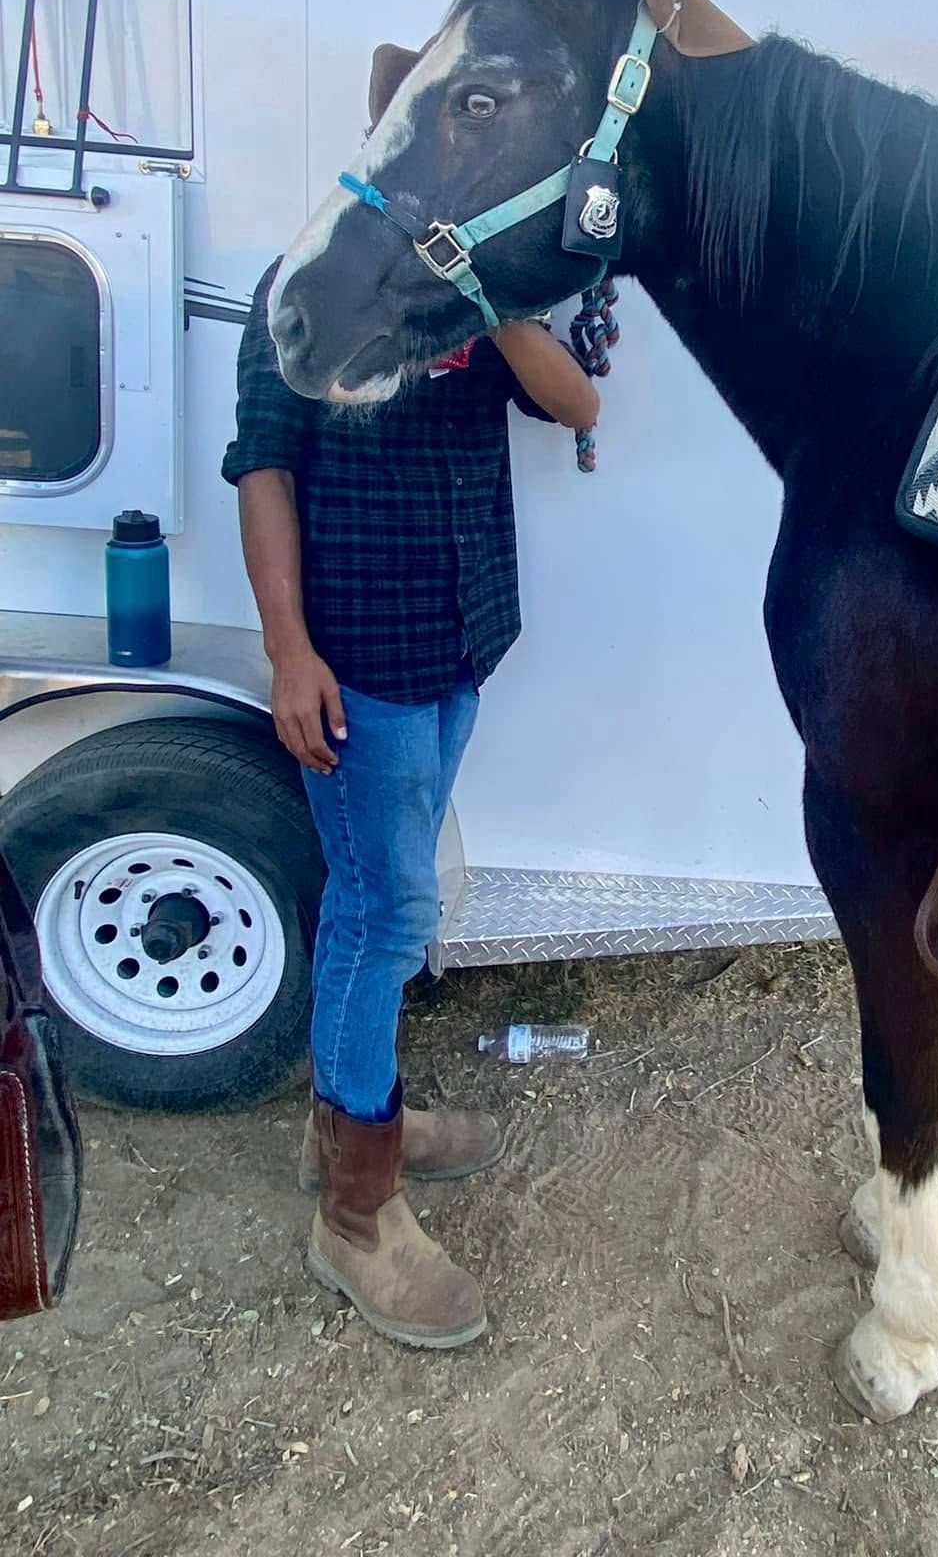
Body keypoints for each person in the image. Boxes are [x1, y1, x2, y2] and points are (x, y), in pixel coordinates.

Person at [222, 161, 598, 1353]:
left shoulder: (476, 292)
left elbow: (578, 408)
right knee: (388, 909)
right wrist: (288, 650)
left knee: (378, 904)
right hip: (358, 660)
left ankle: (351, 1117)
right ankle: (355, 1209)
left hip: (459, 640)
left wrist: (497, 297)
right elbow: (263, 464)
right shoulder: (303, 281)